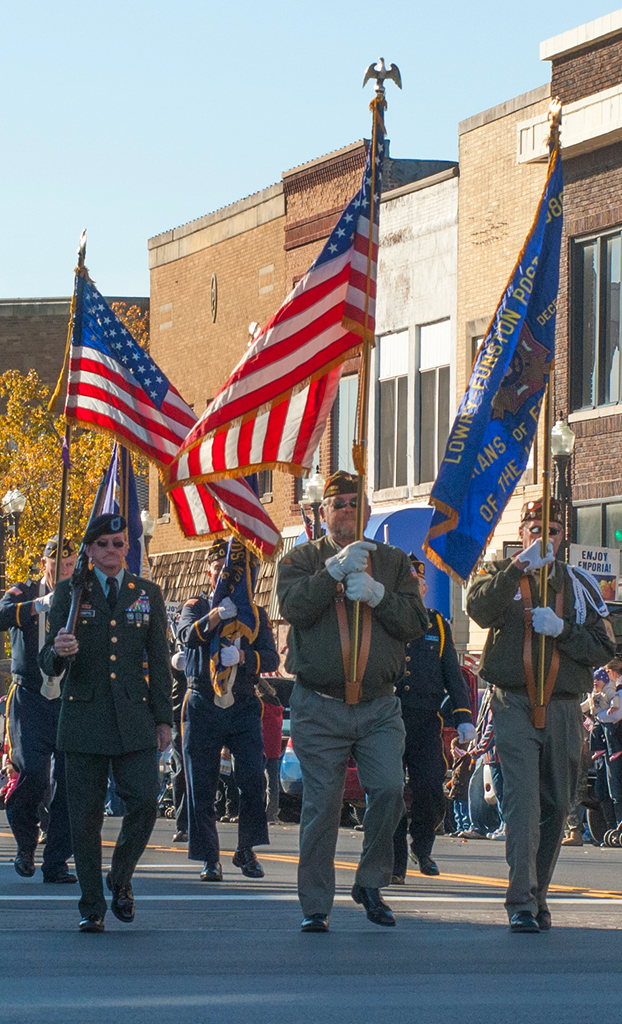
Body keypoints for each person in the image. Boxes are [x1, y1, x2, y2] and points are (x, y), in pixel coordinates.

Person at [277, 470, 429, 933]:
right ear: (323, 513)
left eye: (353, 502)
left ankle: (370, 880)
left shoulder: (392, 562)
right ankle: (316, 905)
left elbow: (415, 623)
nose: (345, 509)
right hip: (320, 704)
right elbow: (293, 607)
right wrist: (333, 573)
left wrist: (380, 596)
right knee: (322, 806)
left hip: (379, 706)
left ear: (365, 511)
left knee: (386, 791)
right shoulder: (301, 559)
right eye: (337, 502)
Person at [467, 497, 615, 933]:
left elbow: (604, 646)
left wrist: (563, 630)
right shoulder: (500, 575)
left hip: (564, 709)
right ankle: (520, 901)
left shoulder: (579, 584)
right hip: (513, 703)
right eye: (535, 529)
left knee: (557, 804)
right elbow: (478, 609)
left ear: (561, 536)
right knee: (523, 806)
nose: (543, 537)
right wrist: (517, 568)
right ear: (524, 533)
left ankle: (538, 894)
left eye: (551, 530)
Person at [39, 513, 173, 933]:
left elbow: (160, 662)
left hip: (134, 718)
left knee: (147, 802)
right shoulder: (70, 593)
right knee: (85, 817)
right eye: (104, 544)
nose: (112, 551)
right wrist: (59, 651)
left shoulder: (146, 593)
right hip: (83, 718)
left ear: (127, 547)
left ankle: (120, 876)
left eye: (119, 543)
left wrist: (164, 719)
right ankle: (92, 903)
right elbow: (48, 663)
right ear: (90, 550)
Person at [177, 538, 279, 882]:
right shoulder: (196, 605)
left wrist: (247, 658)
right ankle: (209, 857)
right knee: (201, 784)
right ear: (209, 572)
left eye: (231, 571)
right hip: (204, 702)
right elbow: (187, 636)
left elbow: (273, 657)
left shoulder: (255, 613)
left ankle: (246, 849)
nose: (225, 576)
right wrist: (215, 616)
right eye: (219, 569)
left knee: (252, 778)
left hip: (243, 703)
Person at [393, 557, 476, 879]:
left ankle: (423, 847)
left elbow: (452, 675)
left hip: (425, 721)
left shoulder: (436, 624)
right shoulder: (388, 621)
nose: (415, 590)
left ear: (425, 590)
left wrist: (464, 716)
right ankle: (396, 862)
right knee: (390, 793)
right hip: (389, 719)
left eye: (419, 585)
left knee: (429, 789)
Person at [0, 536, 78, 883]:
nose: (64, 570)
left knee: (69, 781)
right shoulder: (24, 592)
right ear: (44, 563)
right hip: (30, 696)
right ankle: (25, 843)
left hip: (68, 698)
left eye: (70, 564)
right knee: (32, 773)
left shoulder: (80, 596)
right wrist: (35, 607)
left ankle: (57, 860)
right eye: (57, 564)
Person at [256, 678, 284, 824]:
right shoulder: (277, 704)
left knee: (258, 781)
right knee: (272, 783)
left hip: (261, 745)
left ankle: (257, 812)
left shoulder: (260, 704)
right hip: (274, 747)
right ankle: (271, 813)